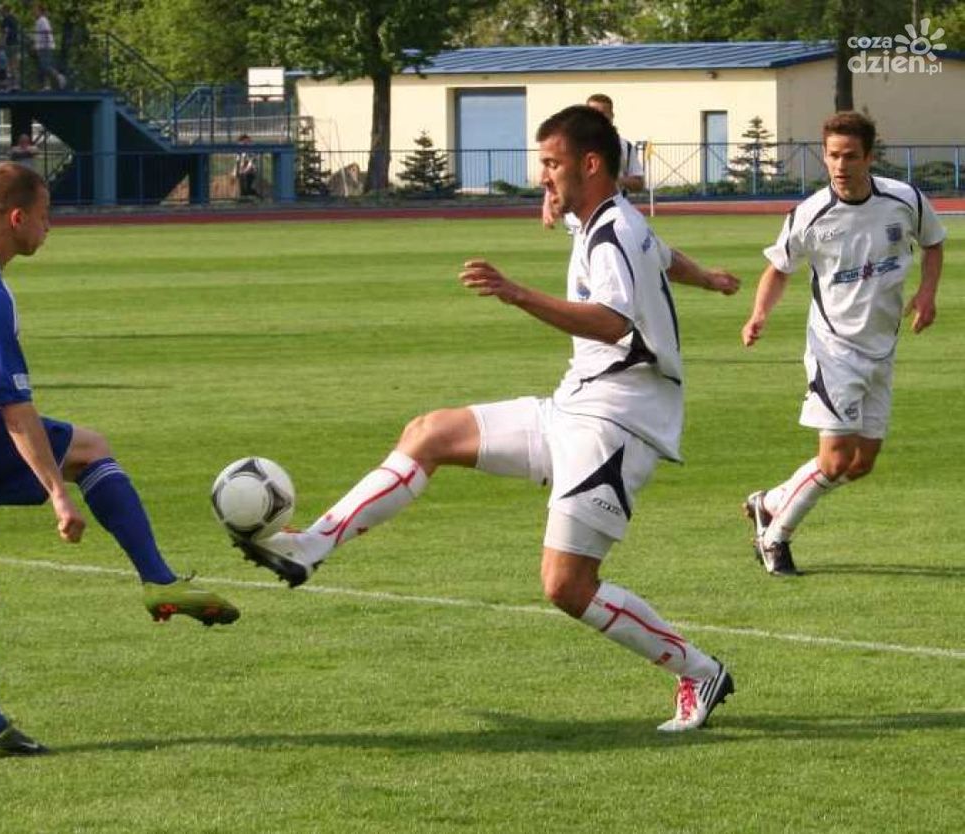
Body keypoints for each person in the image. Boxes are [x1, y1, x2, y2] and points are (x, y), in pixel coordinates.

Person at [236, 105, 742, 732]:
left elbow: (615, 323)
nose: (544, 178)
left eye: (553, 164)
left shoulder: (613, 233)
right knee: (430, 434)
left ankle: (697, 671)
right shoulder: (608, 222)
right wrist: (711, 280)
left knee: (566, 587)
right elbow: (664, 258)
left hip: (616, 428)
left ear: (590, 164)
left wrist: (518, 292)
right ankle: (310, 548)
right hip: (576, 406)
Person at [0, 163, 239, 760]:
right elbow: (13, 408)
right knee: (90, 449)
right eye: (45, 215)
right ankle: (158, 580)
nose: (50, 227)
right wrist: (58, 493)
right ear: (17, 218)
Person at [740, 112, 946, 577]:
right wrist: (759, 314)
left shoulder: (904, 200)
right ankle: (775, 539)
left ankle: (768, 502)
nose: (840, 165)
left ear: (870, 157)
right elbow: (779, 268)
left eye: (850, 156)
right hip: (833, 351)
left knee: (860, 464)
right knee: (834, 460)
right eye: (832, 155)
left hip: (882, 349)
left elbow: (934, 244)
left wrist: (928, 293)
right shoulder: (811, 214)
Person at [543, 93, 643, 229]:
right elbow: (556, 176)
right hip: (579, 217)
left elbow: (639, 183)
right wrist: (547, 204)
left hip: (613, 214)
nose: (597, 118)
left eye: (602, 114)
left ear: (611, 116)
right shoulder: (571, 145)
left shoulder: (625, 147)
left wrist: (614, 180)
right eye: (592, 113)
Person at [32, 4, 65, 90]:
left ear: (40, 11)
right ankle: (46, 86)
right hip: (41, 47)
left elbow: (46, 32)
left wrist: (46, 44)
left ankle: (58, 76)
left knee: (46, 66)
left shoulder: (43, 20)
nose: (34, 12)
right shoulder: (39, 21)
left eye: (35, 10)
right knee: (42, 67)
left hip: (45, 47)